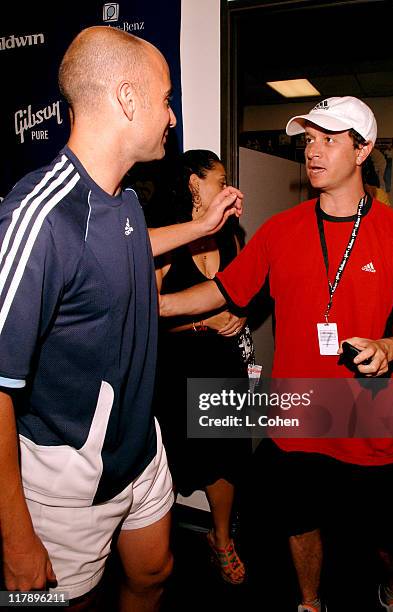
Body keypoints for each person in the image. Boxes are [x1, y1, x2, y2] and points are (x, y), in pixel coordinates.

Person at [160, 96, 393, 612]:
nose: (313, 150)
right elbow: (224, 289)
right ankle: (310, 601)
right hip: (297, 412)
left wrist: (391, 346)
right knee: (299, 519)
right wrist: (158, 303)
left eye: (329, 140)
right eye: (309, 139)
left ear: (363, 150)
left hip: (371, 415)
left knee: (388, 533)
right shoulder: (281, 230)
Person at [0, 26, 243, 611]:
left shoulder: (124, 199)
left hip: (140, 450)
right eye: (165, 99)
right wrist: (14, 535)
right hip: (71, 483)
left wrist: (200, 229)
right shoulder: (37, 219)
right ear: (128, 99)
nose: (172, 117)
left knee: (155, 572)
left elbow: (126, 245)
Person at [152, 149, 253, 585]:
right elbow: (145, 309)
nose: (230, 188)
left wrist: (242, 315)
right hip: (177, 365)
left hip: (223, 363)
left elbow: (247, 288)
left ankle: (221, 540)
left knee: (226, 458)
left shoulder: (231, 233)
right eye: (221, 179)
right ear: (195, 183)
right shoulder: (166, 235)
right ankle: (153, 547)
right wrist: (202, 319)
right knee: (171, 459)